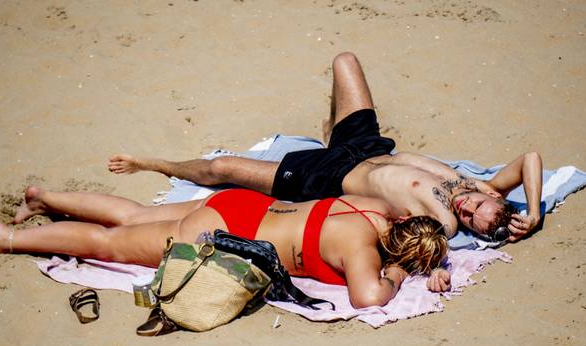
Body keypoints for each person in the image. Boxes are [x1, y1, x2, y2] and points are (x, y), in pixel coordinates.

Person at [108, 52, 543, 243]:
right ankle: (333, 126)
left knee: (222, 166)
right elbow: (531, 159)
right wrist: (536, 211)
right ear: (494, 201)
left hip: (328, 175)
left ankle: (155, 164)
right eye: (475, 210)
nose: (467, 211)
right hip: (366, 145)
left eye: (473, 223)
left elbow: (407, 244)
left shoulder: (444, 223)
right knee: (345, 62)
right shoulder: (485, 186)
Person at [0, 186, 451, 308]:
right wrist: (401, 274)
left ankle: (42, 198)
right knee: (110, 244)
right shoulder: (364, 253)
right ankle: (8, 239)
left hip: (243, 206)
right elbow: (370, 297)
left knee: (135, 214)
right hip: (221, 235)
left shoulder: (372, 206)